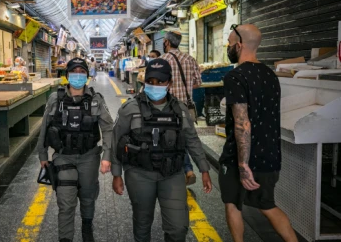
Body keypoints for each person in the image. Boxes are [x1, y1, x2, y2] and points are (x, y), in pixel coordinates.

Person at [111, 59, 212, 242]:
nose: (155, 85)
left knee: (178, 227)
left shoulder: (179, 110)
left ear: (170, 83)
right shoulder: (130, 108)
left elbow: (192, 140)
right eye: (150, 81)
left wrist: (204, 168)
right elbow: (116, 141)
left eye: (160, 82)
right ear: (145, 82)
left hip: (172, 174)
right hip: (139, 174)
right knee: (142, 224)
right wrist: (116, 174)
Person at [219, 24, 298, 242]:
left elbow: (242, 123)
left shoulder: (235, 77)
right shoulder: (270, 75)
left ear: (239, 45)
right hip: (270, 155)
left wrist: (243, 165)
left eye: (229, 43)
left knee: (233, 203)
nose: (228, 47)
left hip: (240, 157)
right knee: (267, 205)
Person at [36, 58, 114, 242]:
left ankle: (87, 225)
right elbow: (45, 126)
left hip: (89, 157)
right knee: (65, 202)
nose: (78, 75)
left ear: (87, 76)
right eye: (74, 72)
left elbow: (108, 128)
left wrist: (107, 156)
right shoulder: (56, 99)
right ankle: (65, 238)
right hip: (63, 157)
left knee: (88, 197)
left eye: (82, 72)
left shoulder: (95, 100)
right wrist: (42, 154)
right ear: (67, 75)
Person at [160, 31, 202, 186]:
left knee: (173, 139)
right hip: (185, 106)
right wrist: (186, 87)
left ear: (166, 42)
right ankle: (189, 170)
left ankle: (182, 170)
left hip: (168, 107)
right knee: (185, 138)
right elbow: (198, 83)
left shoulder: (162, 60)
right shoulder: (190, 59)